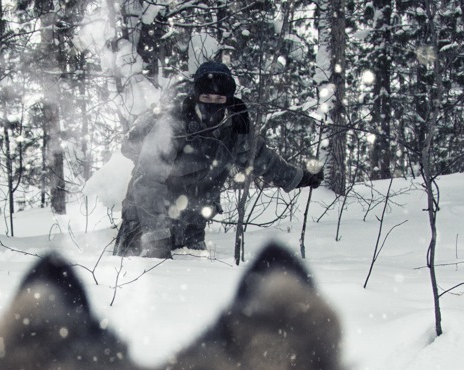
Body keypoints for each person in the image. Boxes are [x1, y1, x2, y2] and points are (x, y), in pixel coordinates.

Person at [114, 61, 323, 258]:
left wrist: (299, 177)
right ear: (196, 95)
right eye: (206, 98)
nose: (212, 104)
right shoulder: (173, 124)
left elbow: (262, 160)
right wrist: (156, 238)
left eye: (219, 99)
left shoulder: (236, 127)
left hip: (191, 224)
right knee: (142, 282)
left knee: (199, 288)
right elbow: (147, 182)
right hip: (146, 221)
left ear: (228, 99)